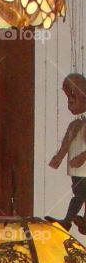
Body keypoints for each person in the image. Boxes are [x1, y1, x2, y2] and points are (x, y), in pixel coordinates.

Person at [49, 73, 86, 232]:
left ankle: (74, 220)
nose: (69, 100)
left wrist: (83, 157)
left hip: (82, 167)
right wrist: (58, 158)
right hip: (76, 170)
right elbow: (65, 145)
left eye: (73, 95)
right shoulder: (75, 125)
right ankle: (72, 221)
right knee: (79, 194)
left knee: (81, 194)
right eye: (67, 96)